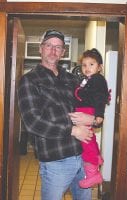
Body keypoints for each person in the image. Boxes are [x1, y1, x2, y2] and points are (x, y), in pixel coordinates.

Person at [17, 29, 95, 200]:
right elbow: (33, 122)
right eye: (49, 45)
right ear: (41, 48)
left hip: (83, 156)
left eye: (58, 47)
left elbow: (89, 105)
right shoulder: (29, 80)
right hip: (56, 160)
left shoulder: (71, 79)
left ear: (63, 52)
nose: (53, 50)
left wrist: (94, 119)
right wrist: (73, 130)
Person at [73, 48, 110, 188]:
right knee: (88, 139)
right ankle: (94, 166)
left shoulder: (98, 79)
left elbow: (101, 97)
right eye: (84, 65)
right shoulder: (88, 79)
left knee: (86, 141)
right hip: (83, 111)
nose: (87, 68)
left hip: (87, 112)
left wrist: (99, 115)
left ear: (99, 67)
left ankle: (94, 174)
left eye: (91, 64)